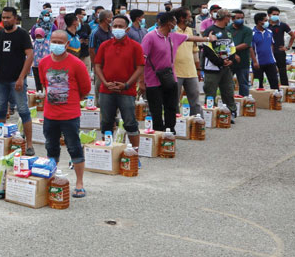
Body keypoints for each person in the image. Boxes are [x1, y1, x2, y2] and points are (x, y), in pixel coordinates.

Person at [37, 30, 92, 198]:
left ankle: (80, 183)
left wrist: (73, 99)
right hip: (50, 114)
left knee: (74, 147)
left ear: (67, 44)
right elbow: (44, 84)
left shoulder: (76, 64)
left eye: (61, 42)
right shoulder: (44, 63)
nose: (57, 45)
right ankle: (52, 178)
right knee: (51, 147)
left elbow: (86, 89)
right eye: (54, 41)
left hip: (70, 114)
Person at [142, 11, 213, 131]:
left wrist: (208, 39)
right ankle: (159, 131)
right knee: (156, 108)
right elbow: (141, 60)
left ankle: (170, 130)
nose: (176, 25)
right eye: (174, 22)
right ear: (169, 23)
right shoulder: (150, 37)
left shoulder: (173, 36)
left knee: (171, 106)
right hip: (153, 79)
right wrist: (140, 81)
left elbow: (190, 38)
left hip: (170, 78)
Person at [0, 7, 35, 155]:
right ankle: (0, 142)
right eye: (3, 18)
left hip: (16, 81)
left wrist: (21, 78)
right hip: (1, 80)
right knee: (0, 110)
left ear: (15, 18)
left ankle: (29, 144)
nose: (5, 20)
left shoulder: (22, 34)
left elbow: (30, 56)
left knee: (23, 110)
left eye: (8, 17)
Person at [94, 16, 145, 150]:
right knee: (106, 122)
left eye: (120, 26)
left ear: (127, 29)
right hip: (106, 90)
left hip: (127, 91)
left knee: (130, 122)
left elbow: (140, 67)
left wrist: (127, 84)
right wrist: (104, 82)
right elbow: (98, 65)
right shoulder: (105, 46)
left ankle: (134, 153)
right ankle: (107, 151)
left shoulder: (135, 47)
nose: (117, 29)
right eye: (114, 26)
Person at [201, 9, 238, 120]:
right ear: (224, 17)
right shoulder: (210, 30)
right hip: (212, 68)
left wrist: (231, 59)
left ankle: (230, 112)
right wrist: (220, 62)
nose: (230, 19)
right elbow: (207, 50)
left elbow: (232, 47)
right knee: (210, 92)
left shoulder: (228, 31)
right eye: (229, 17)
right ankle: (210, 114)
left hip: (226, 67)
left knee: (228, 90)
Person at [173, 8, 203, 117]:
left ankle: (197, 122)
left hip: (191, 71)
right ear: (182, 18)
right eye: (189, 16)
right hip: (175, 72)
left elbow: (195, 51)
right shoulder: (172, 31)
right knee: (174, 101)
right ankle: (175, 124)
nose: (191, 18)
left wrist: (198, 69)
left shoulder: (191, 31)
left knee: (195, 100)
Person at [251, 12, 280, 90]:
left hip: (270, 62)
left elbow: (272, 45)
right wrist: (254, 61)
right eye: (266, 20)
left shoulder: (269, 32)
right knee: (258, 85)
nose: (268, 22)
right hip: (258, 63)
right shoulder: (252, 33)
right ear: (259, 22)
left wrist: (273, 58)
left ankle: (275, 100)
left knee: (274, 83)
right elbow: (251, 48)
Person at [229, 10, 253, 97]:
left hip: (243, 61)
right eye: (238, 18)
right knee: (228, 84)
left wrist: (232, 50)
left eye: (242, 18)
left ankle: (244, 101)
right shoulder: (227, 29)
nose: (240, 20)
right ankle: (229, 101)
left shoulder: (247, 30)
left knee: (243, 84)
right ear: (232, 19)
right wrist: (233, 54)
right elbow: (224, 44)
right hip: (229, 61)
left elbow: (246, 44)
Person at [267, 6, 292, 87]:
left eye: (278, 14)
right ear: (269, 15)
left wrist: (287, 47)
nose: (276, 16)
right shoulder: (265, 26)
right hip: (268, 53)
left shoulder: (283, 25)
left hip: (279, 52)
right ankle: (272, 89)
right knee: (270, 72)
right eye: (274, 14)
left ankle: (285, 89)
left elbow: (293, 35)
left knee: (282, 72)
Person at [32, 27, 50, 92]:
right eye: (37, 36)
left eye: (40, 36)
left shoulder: (48, 43)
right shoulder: (33, 43)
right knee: (38, 82)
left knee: (46, 81)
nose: (39, 37)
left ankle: (47, 95)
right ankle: (39, 96)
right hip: (35, 66)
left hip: (46, 66)